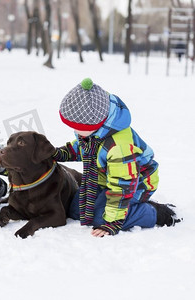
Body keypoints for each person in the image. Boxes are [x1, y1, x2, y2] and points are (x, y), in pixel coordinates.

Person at [53, 78, 180, 237]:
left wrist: (111, 223)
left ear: (93, 124)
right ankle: (122, 209)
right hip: (107, 179)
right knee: (77, 210)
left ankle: (153, 212)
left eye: (78, 128)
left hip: (136, 182)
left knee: (101, 218)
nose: (75, 131)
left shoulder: (119, 146)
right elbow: (82, 148)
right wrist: (59, 153)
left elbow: (122, 187)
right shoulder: (95, 130)